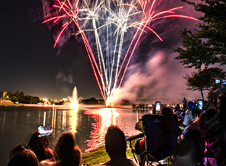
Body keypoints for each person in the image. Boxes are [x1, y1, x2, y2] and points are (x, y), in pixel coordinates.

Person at [204, 92, 226, 164]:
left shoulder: (221, 115)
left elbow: (207, 125)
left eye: (218, 103)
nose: (217, 105)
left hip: (220, 150)